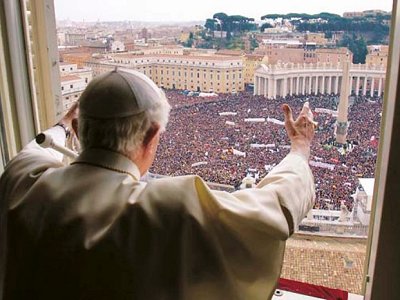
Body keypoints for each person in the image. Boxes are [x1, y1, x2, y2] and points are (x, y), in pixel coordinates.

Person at [0, 69, 315, 300]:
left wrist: (62, 126)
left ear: (80, 130)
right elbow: (277, 209)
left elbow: (35, 148)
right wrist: (299, 150)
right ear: (152, 136)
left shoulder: (21, 181)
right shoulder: (171, 207)